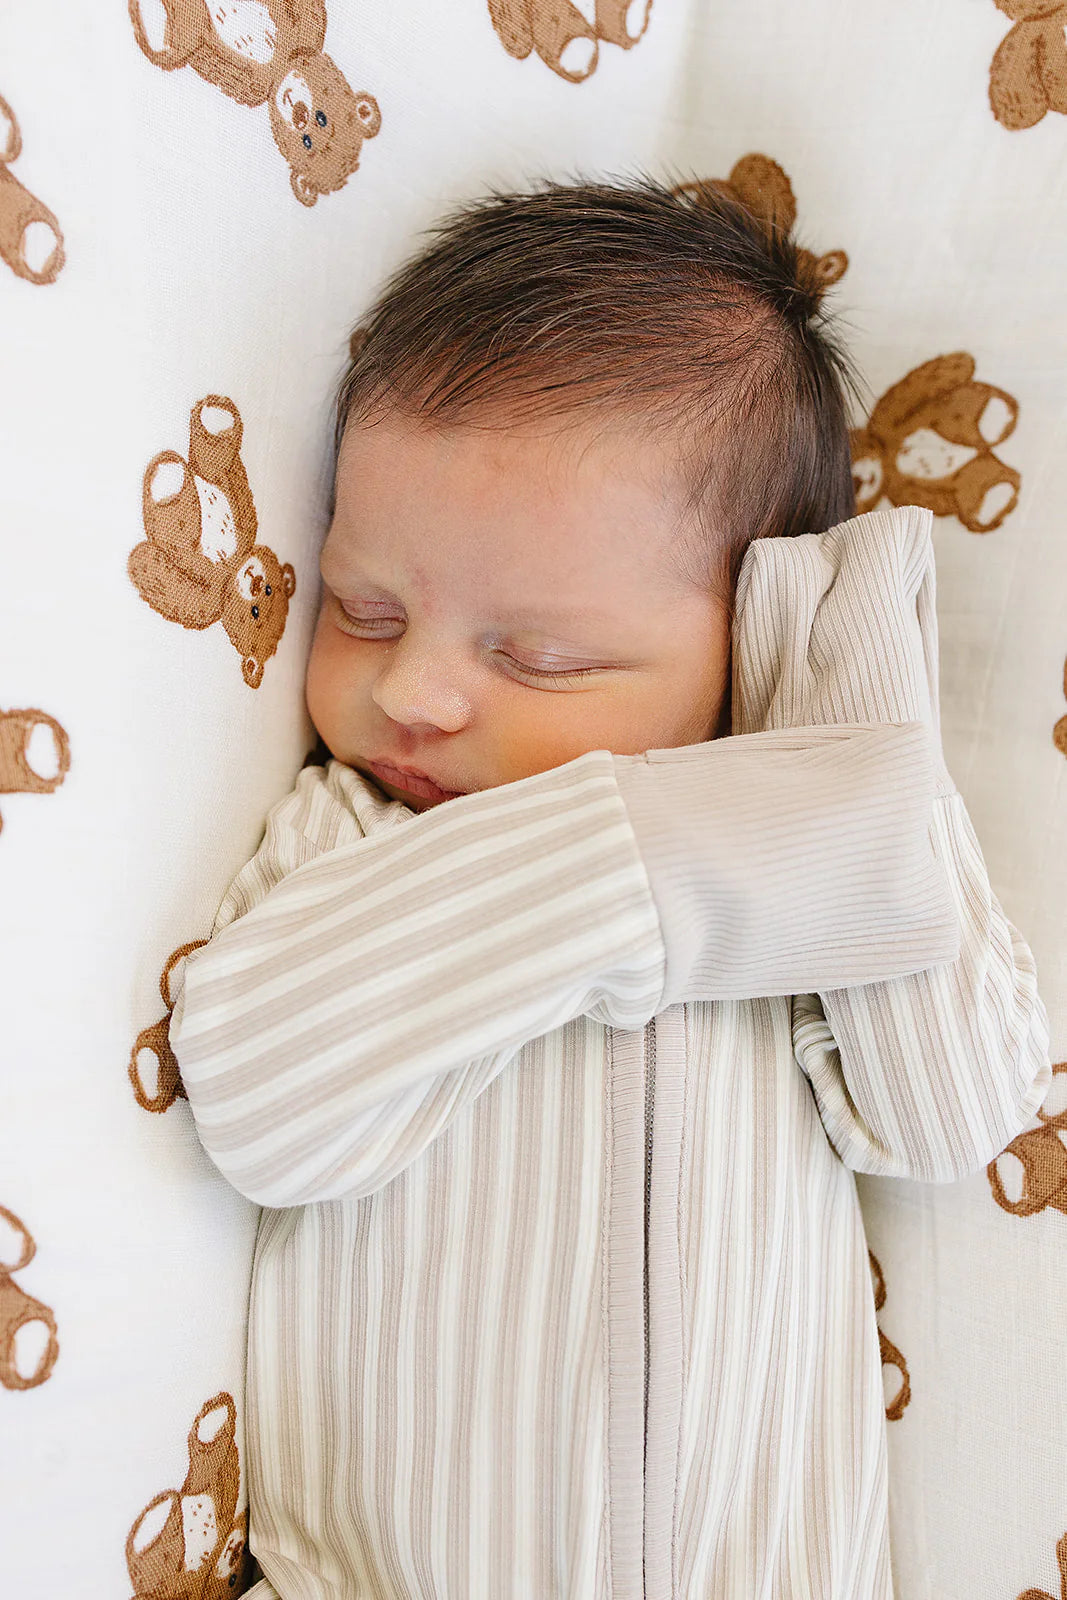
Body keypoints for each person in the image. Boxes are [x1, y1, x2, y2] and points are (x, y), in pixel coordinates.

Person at [168, 174, 1051, 1598]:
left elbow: (953, 1112)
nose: (412, 691)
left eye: (543, 659)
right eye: (366, 611)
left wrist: (840, 716)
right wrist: (635, 859)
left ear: (745, 641)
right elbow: (259, 1095)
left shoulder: (814, 852)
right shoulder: (352, 837)